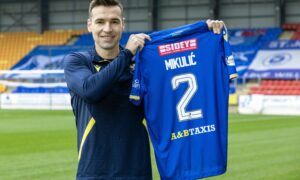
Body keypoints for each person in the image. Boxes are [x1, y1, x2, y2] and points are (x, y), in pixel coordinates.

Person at [64, 0, 225, 179]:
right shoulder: (78, 61)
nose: (107, 29)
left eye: (114, 21)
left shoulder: (141, 65)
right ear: (89, 25)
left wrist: (204, 32)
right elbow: (91, 90)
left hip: (137, 172)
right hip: (93, 173)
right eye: (100, 22)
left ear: (123, 24)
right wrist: (127, 54)